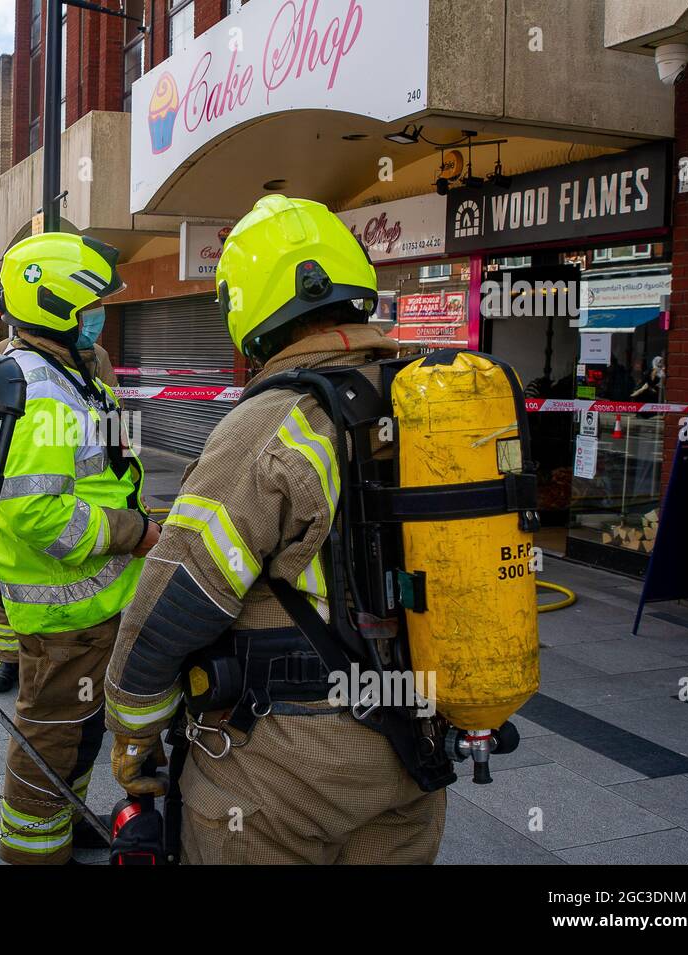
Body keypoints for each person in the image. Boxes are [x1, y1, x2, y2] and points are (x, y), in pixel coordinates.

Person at [104, 196, 446, 864]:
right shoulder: (420, 397)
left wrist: (131, 737)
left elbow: (174, 605)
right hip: (415, 747)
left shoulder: (276, 421)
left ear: (249, 305)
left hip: (283, 772)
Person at [0, 232, 158, 864]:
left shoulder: (70, 373)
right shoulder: (42, 390)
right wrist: (132, 532)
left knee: (79, 732)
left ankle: (59, 820)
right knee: (54, 733)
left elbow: (112, 456)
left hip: (90, 604)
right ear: (59, 305)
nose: (101, 315)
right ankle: (33, 851)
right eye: (94, 305)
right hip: (64, 613)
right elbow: (35, 511)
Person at [0, 306, 118, 694]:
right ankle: (7, 661)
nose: (92, 321)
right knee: (9, 592)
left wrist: (119, 455)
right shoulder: (7, 357)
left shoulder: (98, 356)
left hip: (75, 495)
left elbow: (109, 409)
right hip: (31, 492)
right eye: (87, 312)